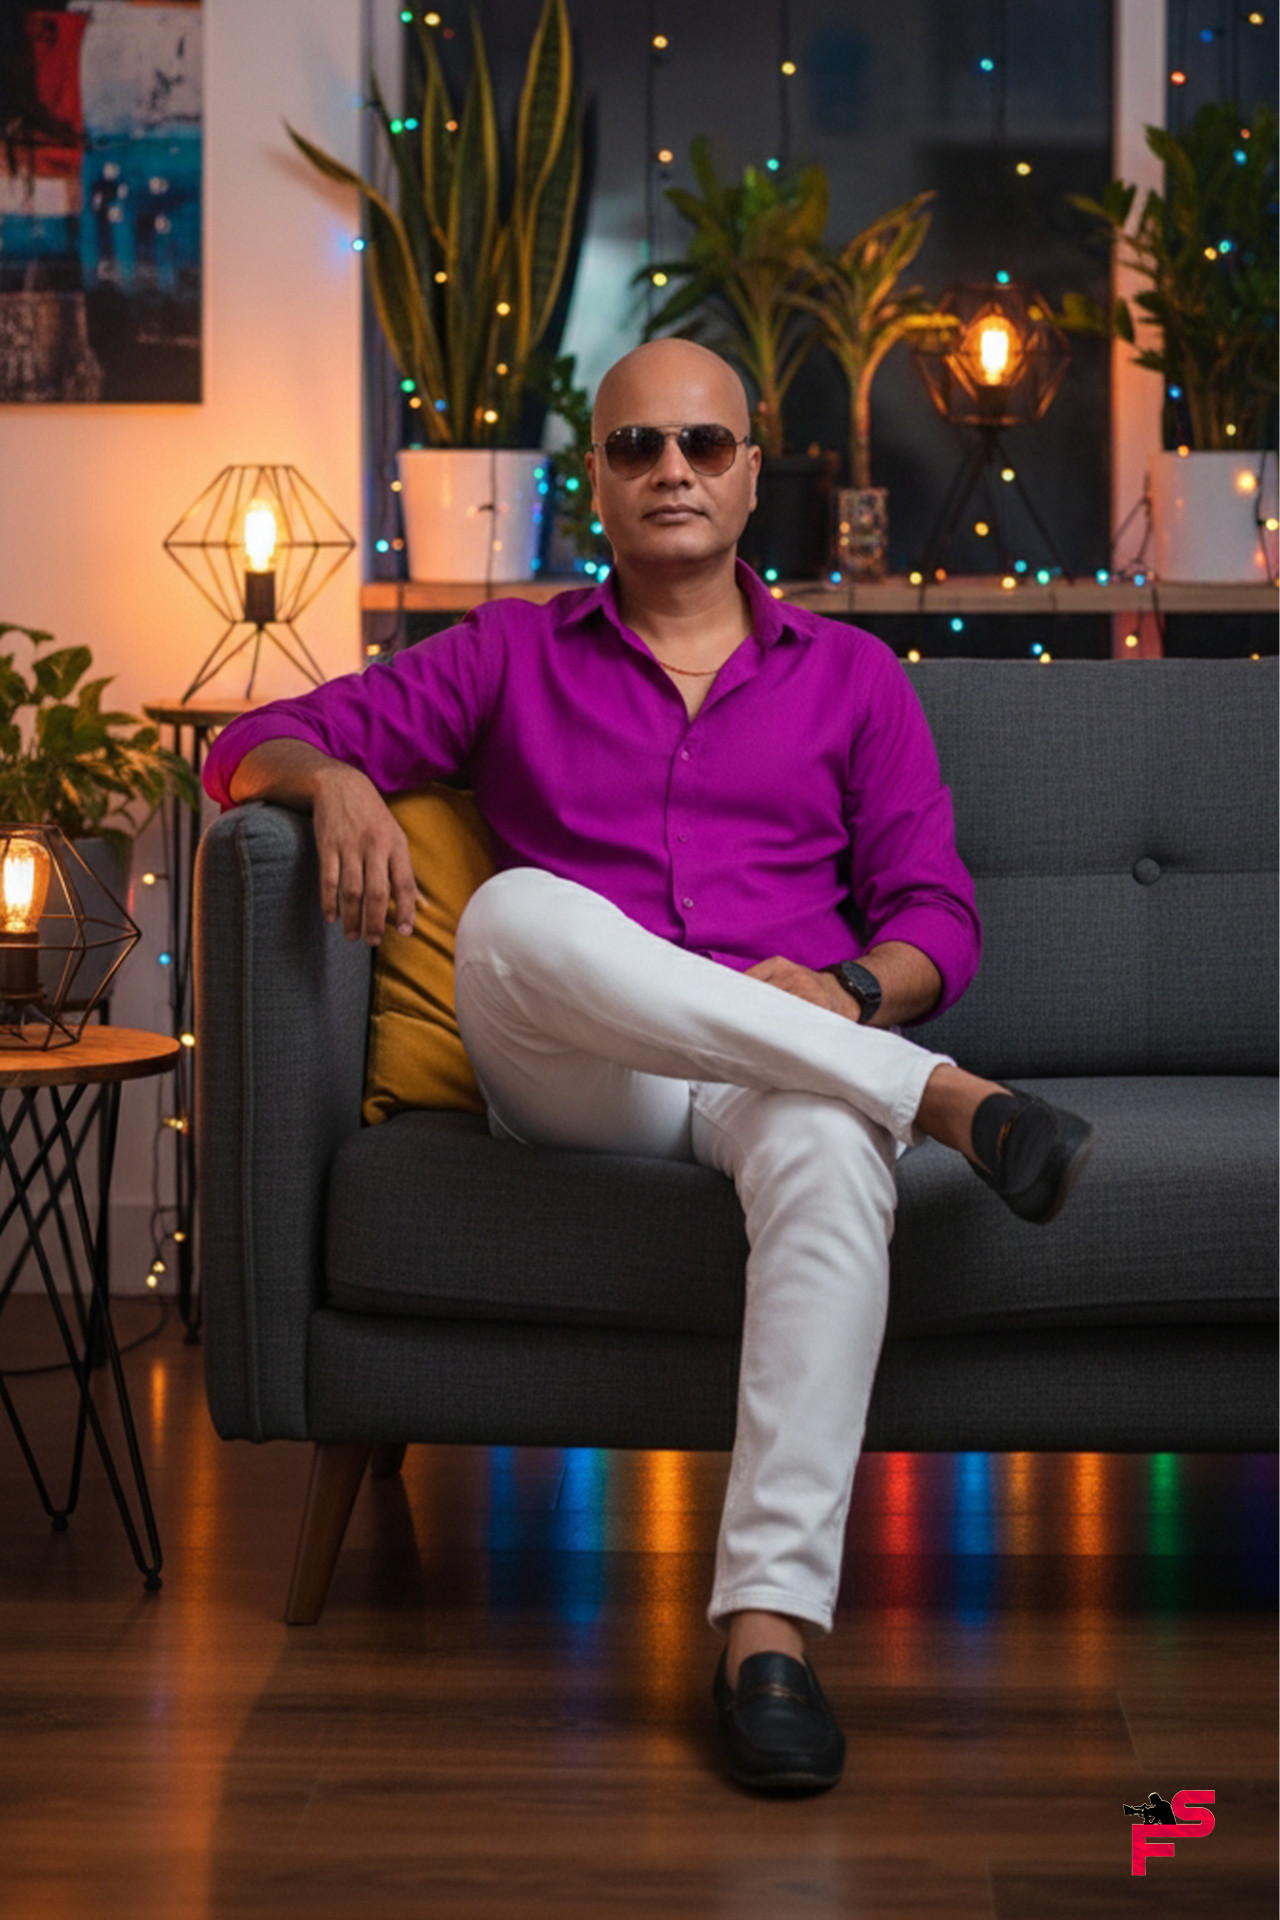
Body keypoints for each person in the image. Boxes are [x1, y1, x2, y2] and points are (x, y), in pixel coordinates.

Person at [203, 337, 1096, 1797]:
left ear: (749, 475)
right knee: (515, 914)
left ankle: (768, 1638)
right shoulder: (507, 653)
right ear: (597, 484)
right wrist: (339, 776)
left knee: (829, 1148)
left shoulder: (853, 680)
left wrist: (852, 990)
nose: (671, 470)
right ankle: (940, 1100)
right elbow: (249, 740)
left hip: (777, 1068)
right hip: (577, 1072)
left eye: (702, 444)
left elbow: (937, 915)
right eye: (636, 447)